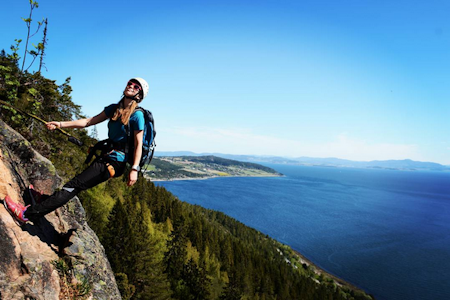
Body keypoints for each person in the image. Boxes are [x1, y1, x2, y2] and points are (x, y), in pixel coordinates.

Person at [3, 77, 150, 225]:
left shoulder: (137, 115)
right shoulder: (114, 109)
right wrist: (60, 124)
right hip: (108, 156)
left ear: (139, 95)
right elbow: (87, 122)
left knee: (72, 186)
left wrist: (134, 169)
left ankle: (27, 215)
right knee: (74, 185)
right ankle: (44, 201)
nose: (130, 86)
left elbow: (138, 145)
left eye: (136, 87)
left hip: (116, 162)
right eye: (130, 83)